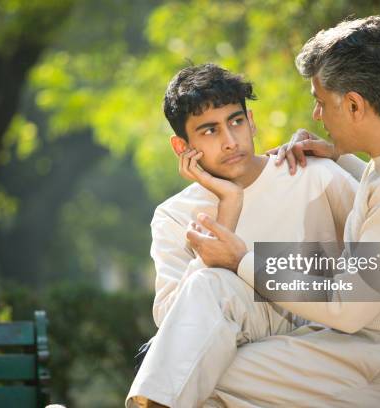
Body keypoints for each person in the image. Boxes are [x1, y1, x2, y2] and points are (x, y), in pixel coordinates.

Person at [188, 16, 380, 408]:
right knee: (202, 366)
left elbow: (346, 305)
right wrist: (341, 153)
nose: (317, 115)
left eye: (320, 101)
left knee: (209, 374)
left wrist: (242, 260)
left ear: (355, 105)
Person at [126, 63, 358, 407]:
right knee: (208, 306)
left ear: (251, 121)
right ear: (181, 147)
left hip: (317, 329)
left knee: (205, 371)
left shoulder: (310, 175)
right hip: (232, 340)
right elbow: (172, 322)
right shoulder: (173, 215)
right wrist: (228, 208)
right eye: (209, 131)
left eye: (235, 122)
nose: (230, 141)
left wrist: (343, 156)